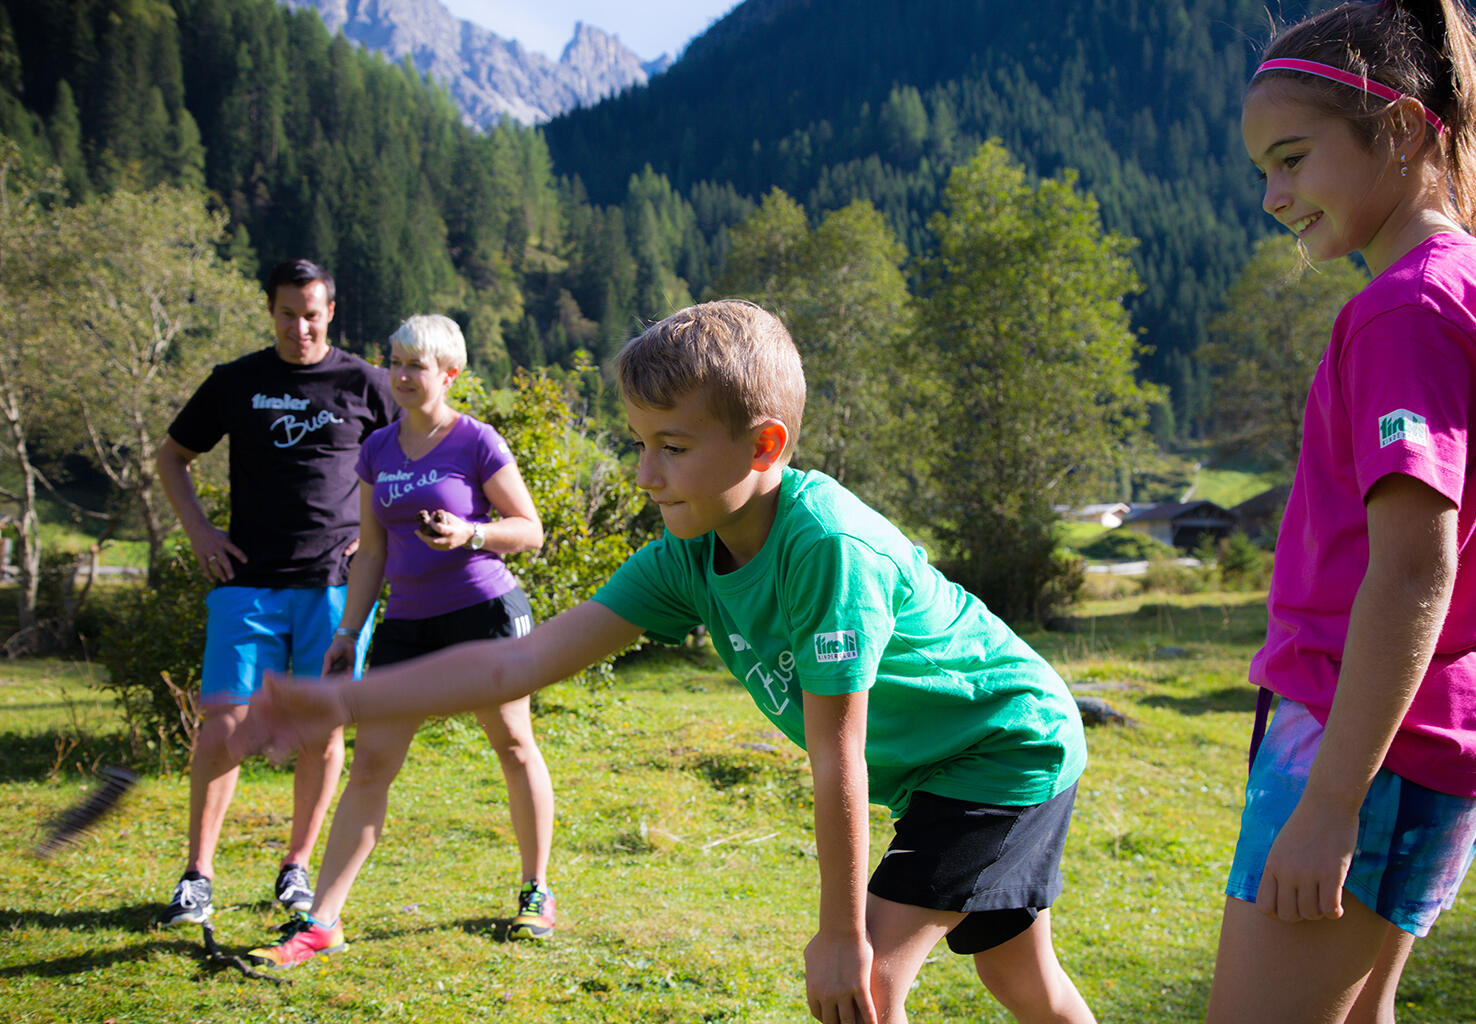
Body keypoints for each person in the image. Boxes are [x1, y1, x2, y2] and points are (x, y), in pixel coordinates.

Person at [234, 300, 1096, 1023]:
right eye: (639, 442)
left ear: (764, 446)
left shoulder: (824, 546)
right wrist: (340, 701)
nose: (646, 473)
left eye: (673, 447)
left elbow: (838, 751)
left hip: (1002, 748)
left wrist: (841, 931)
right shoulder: (687, 554)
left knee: (865, 980)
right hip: (948, 765)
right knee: (1019, 981)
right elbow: (513, 665)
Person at [1207, 3, 1476, 1022]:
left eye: (1295, 158)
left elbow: (1412, 568)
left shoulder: (1407, 307)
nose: (1273, 195)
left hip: (1377, 746)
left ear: (1396, 133)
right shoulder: (1470, 278)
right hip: (1436, 729)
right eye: (1264, 169)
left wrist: (1331, 803)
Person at [248, 314, 556, 968]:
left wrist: (470, 533)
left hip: (484, 612)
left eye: (419, 365)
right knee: (371, 764)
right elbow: (372, 550)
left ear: (450, 374)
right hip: (406, 625)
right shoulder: (378, 450)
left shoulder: (476, 441)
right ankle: (322, 920)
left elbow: (529, 530)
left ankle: (535, 890)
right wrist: (349, 630)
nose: (404, 375)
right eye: (396, 362)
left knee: (512, 745)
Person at [154, 258, 396, 927]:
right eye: (288, 314)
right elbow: (172, 455)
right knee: (222, 727)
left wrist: (380, 537)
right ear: (271, 312)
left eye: (312, 313)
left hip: (335, 589)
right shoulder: (237, 381)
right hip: (248, 582)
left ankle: (296, 868)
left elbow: (412, 456)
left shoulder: (365, 382)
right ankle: (197, 875)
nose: (300, 328)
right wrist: (199, 529)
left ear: (331, 311)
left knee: (323, 732)